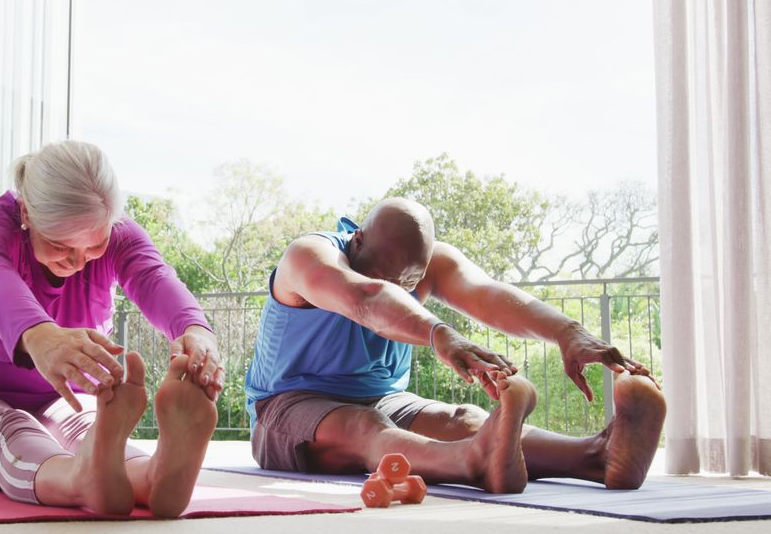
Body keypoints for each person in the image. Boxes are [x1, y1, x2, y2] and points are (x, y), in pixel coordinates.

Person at [245, 197, 666, 493]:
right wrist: (440, 334)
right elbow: (367, 300)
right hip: (286, 407)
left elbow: (485, 293)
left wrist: (565, 331)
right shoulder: (308, 256)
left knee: (466, 418)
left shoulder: (429, 263)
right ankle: (471, 462)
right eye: (388, 276)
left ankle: (597, 456)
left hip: (381, 397)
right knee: (365, 428)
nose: (399, 288)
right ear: (357, 240)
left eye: (408, 282)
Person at [0, 140, 223, 518]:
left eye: (95, 245)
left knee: (88, 428)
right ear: (26, 213)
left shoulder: (121, 235)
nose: (78, 260)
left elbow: (153, 277)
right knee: (12, 428)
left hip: (59, 400)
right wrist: (42, 336)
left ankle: (148, 476)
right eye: (60, 245)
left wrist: (196, 330)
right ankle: (82, 477)